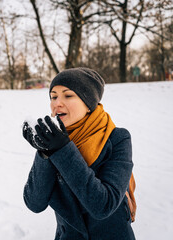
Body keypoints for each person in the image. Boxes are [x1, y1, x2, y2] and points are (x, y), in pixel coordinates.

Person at [22, 67, 136, 240]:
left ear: (88, 102)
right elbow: (34, 203)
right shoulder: (55, 138)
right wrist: (44, 152)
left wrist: (62, 150)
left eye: (68, 95)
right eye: (53, 96)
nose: (57, 103)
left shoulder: (117, 138)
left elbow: (103, 205)